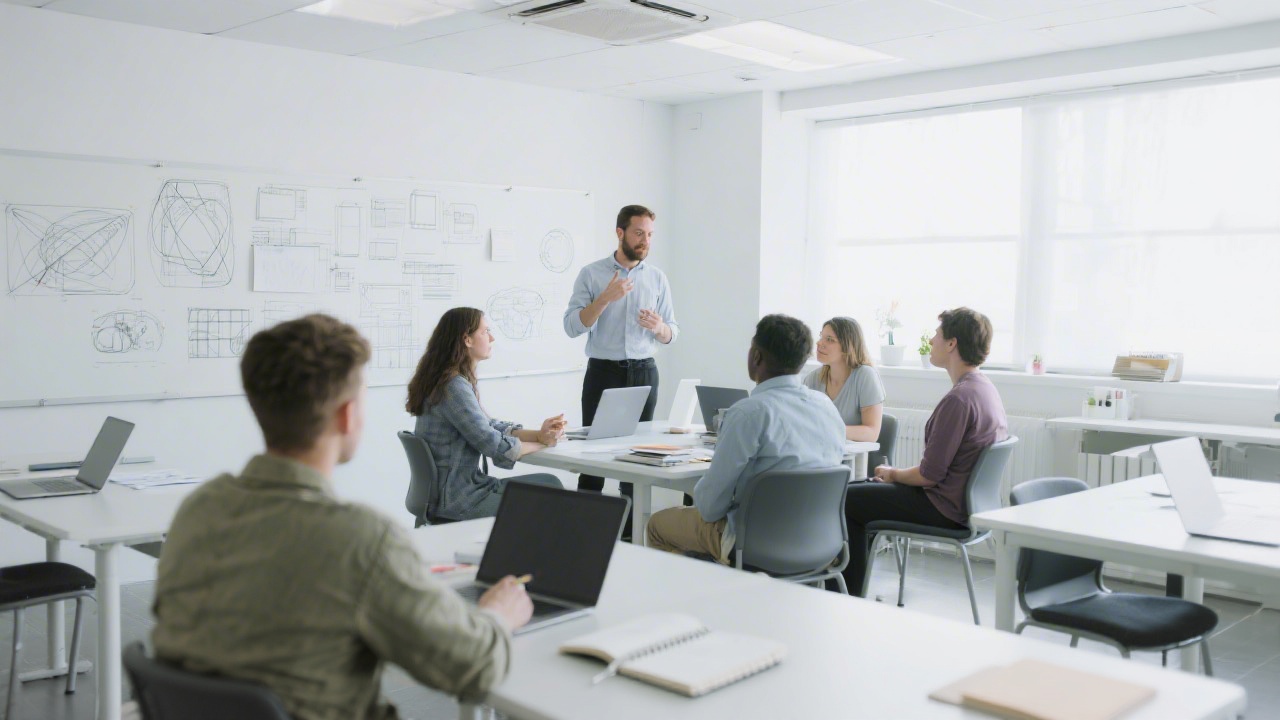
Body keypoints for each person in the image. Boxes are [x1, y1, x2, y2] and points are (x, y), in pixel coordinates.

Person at [153, 314, 532, 720]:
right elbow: (473, 668)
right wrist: (498, 614)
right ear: (347, 415)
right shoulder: (362, 540)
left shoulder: (199, 509)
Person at [646, 314, 846, 562]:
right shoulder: (826, 406)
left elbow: (709, 509)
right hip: (820, 543)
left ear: (756, 356)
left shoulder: (748, 413)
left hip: (752, 542)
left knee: (657, 525)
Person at [841, 307, 1008, 595]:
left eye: (936, 335)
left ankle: (845, 594)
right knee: (862, 492)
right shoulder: (984, 389)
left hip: (943, 508)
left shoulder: (959, 400)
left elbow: (929, 475)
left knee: (847, 497)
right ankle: (851, 588)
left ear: (952, 343)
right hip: (967, 506)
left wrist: (892, 474)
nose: (931, 341)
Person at [563, 204, 679, 518]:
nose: (646, 241)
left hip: (644, 372)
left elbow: (672, 332)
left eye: (650, 234)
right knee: (593, 458)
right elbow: (572, 326)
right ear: (620, 233)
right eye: (639, 233)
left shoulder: (657, 278)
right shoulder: (591, 273)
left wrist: (659, 328)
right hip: (604, 373)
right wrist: (604, 298)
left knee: (638, 457)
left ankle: (632, 533)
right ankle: (585, 529)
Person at [408, 307, 566, 520]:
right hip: (459, 500)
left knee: (550, 483)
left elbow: (489, 426)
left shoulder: (449, 381)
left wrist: (538, 434)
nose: (491, 338)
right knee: (552, 495)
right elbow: (495, 446)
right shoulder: (453, 387)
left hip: (455, 493)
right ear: (467, 340)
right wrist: (544, 443)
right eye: (485, 332)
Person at [803, 316, 885, 442]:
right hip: (818, 455)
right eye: (821, 337)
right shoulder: (812, 379)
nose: (819, 343)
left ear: (848, 346)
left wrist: (830, 429)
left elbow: (871, 433)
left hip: (853, 459)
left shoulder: (865, 376)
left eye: (829, 339)